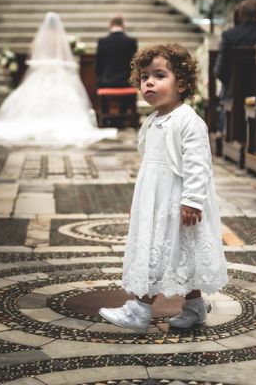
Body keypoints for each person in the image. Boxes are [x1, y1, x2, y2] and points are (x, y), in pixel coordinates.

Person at [98, 43, 228, 332]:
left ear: (181, 82)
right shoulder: (153, 120)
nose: (149, 82)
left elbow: (198, 165)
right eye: (144, 77)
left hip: (178, 203)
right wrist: (140, 203)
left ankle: (139, 309)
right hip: (157, 203)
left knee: (164, 254)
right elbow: (149, 168)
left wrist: (192, 200)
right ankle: (194, 307)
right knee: (177, 254)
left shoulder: (188, 122)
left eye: (159, 75)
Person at [0, 12, 117, 147]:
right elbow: (65, 56)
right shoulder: (60, 38)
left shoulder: (40, 38)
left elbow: (33, 54)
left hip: (41, 74)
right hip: (59, 75)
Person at [214, 0, 256, 131]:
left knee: (227, 89)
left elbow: (220, 71)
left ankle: (226, 131)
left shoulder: (230, 35)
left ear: (241, 14)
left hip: (235, 93)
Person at [95, 15, 138, 126]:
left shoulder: (103, 41)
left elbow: (98, 65)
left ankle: (106, 116)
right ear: (123, 25)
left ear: (111, 25)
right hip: (126, 82)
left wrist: (100, 77)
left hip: (107, 82)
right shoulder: (131, 42)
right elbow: (134, 64)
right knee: (131, 84)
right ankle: (122, 116)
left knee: (99, 83)